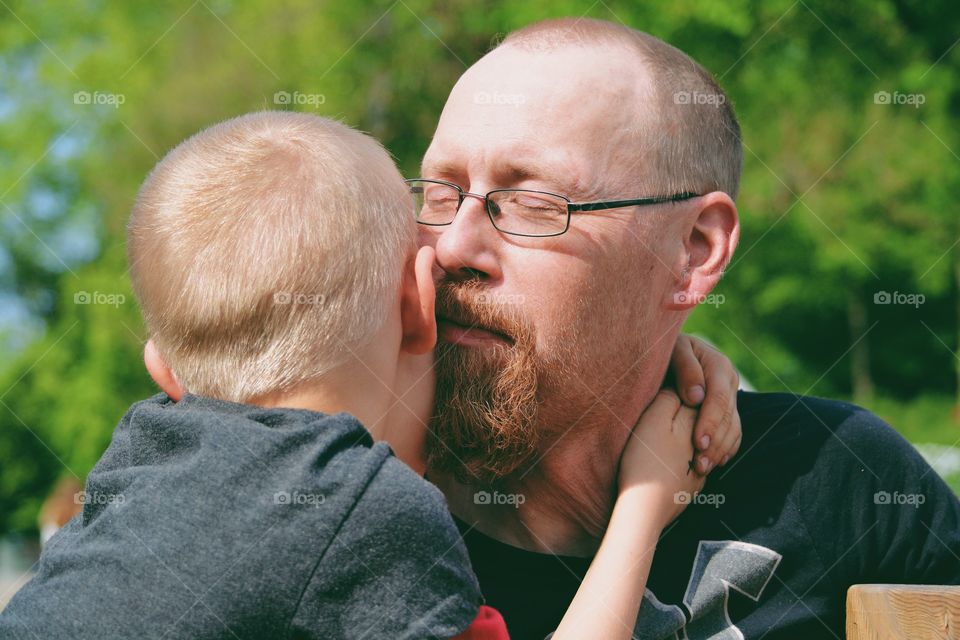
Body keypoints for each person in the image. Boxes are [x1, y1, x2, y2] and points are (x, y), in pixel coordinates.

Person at [0, 111, 740, 639]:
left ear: (161, 371)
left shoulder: (138, 463)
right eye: (440, 201)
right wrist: (644, 502)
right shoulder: (368, 514)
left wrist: (653, 349)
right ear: (420, 309)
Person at [414, 17, 960, 639]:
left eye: (534, 202)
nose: (454, 245)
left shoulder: (836, 479)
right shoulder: (355, 526)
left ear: (693, 251)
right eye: (438, 193)